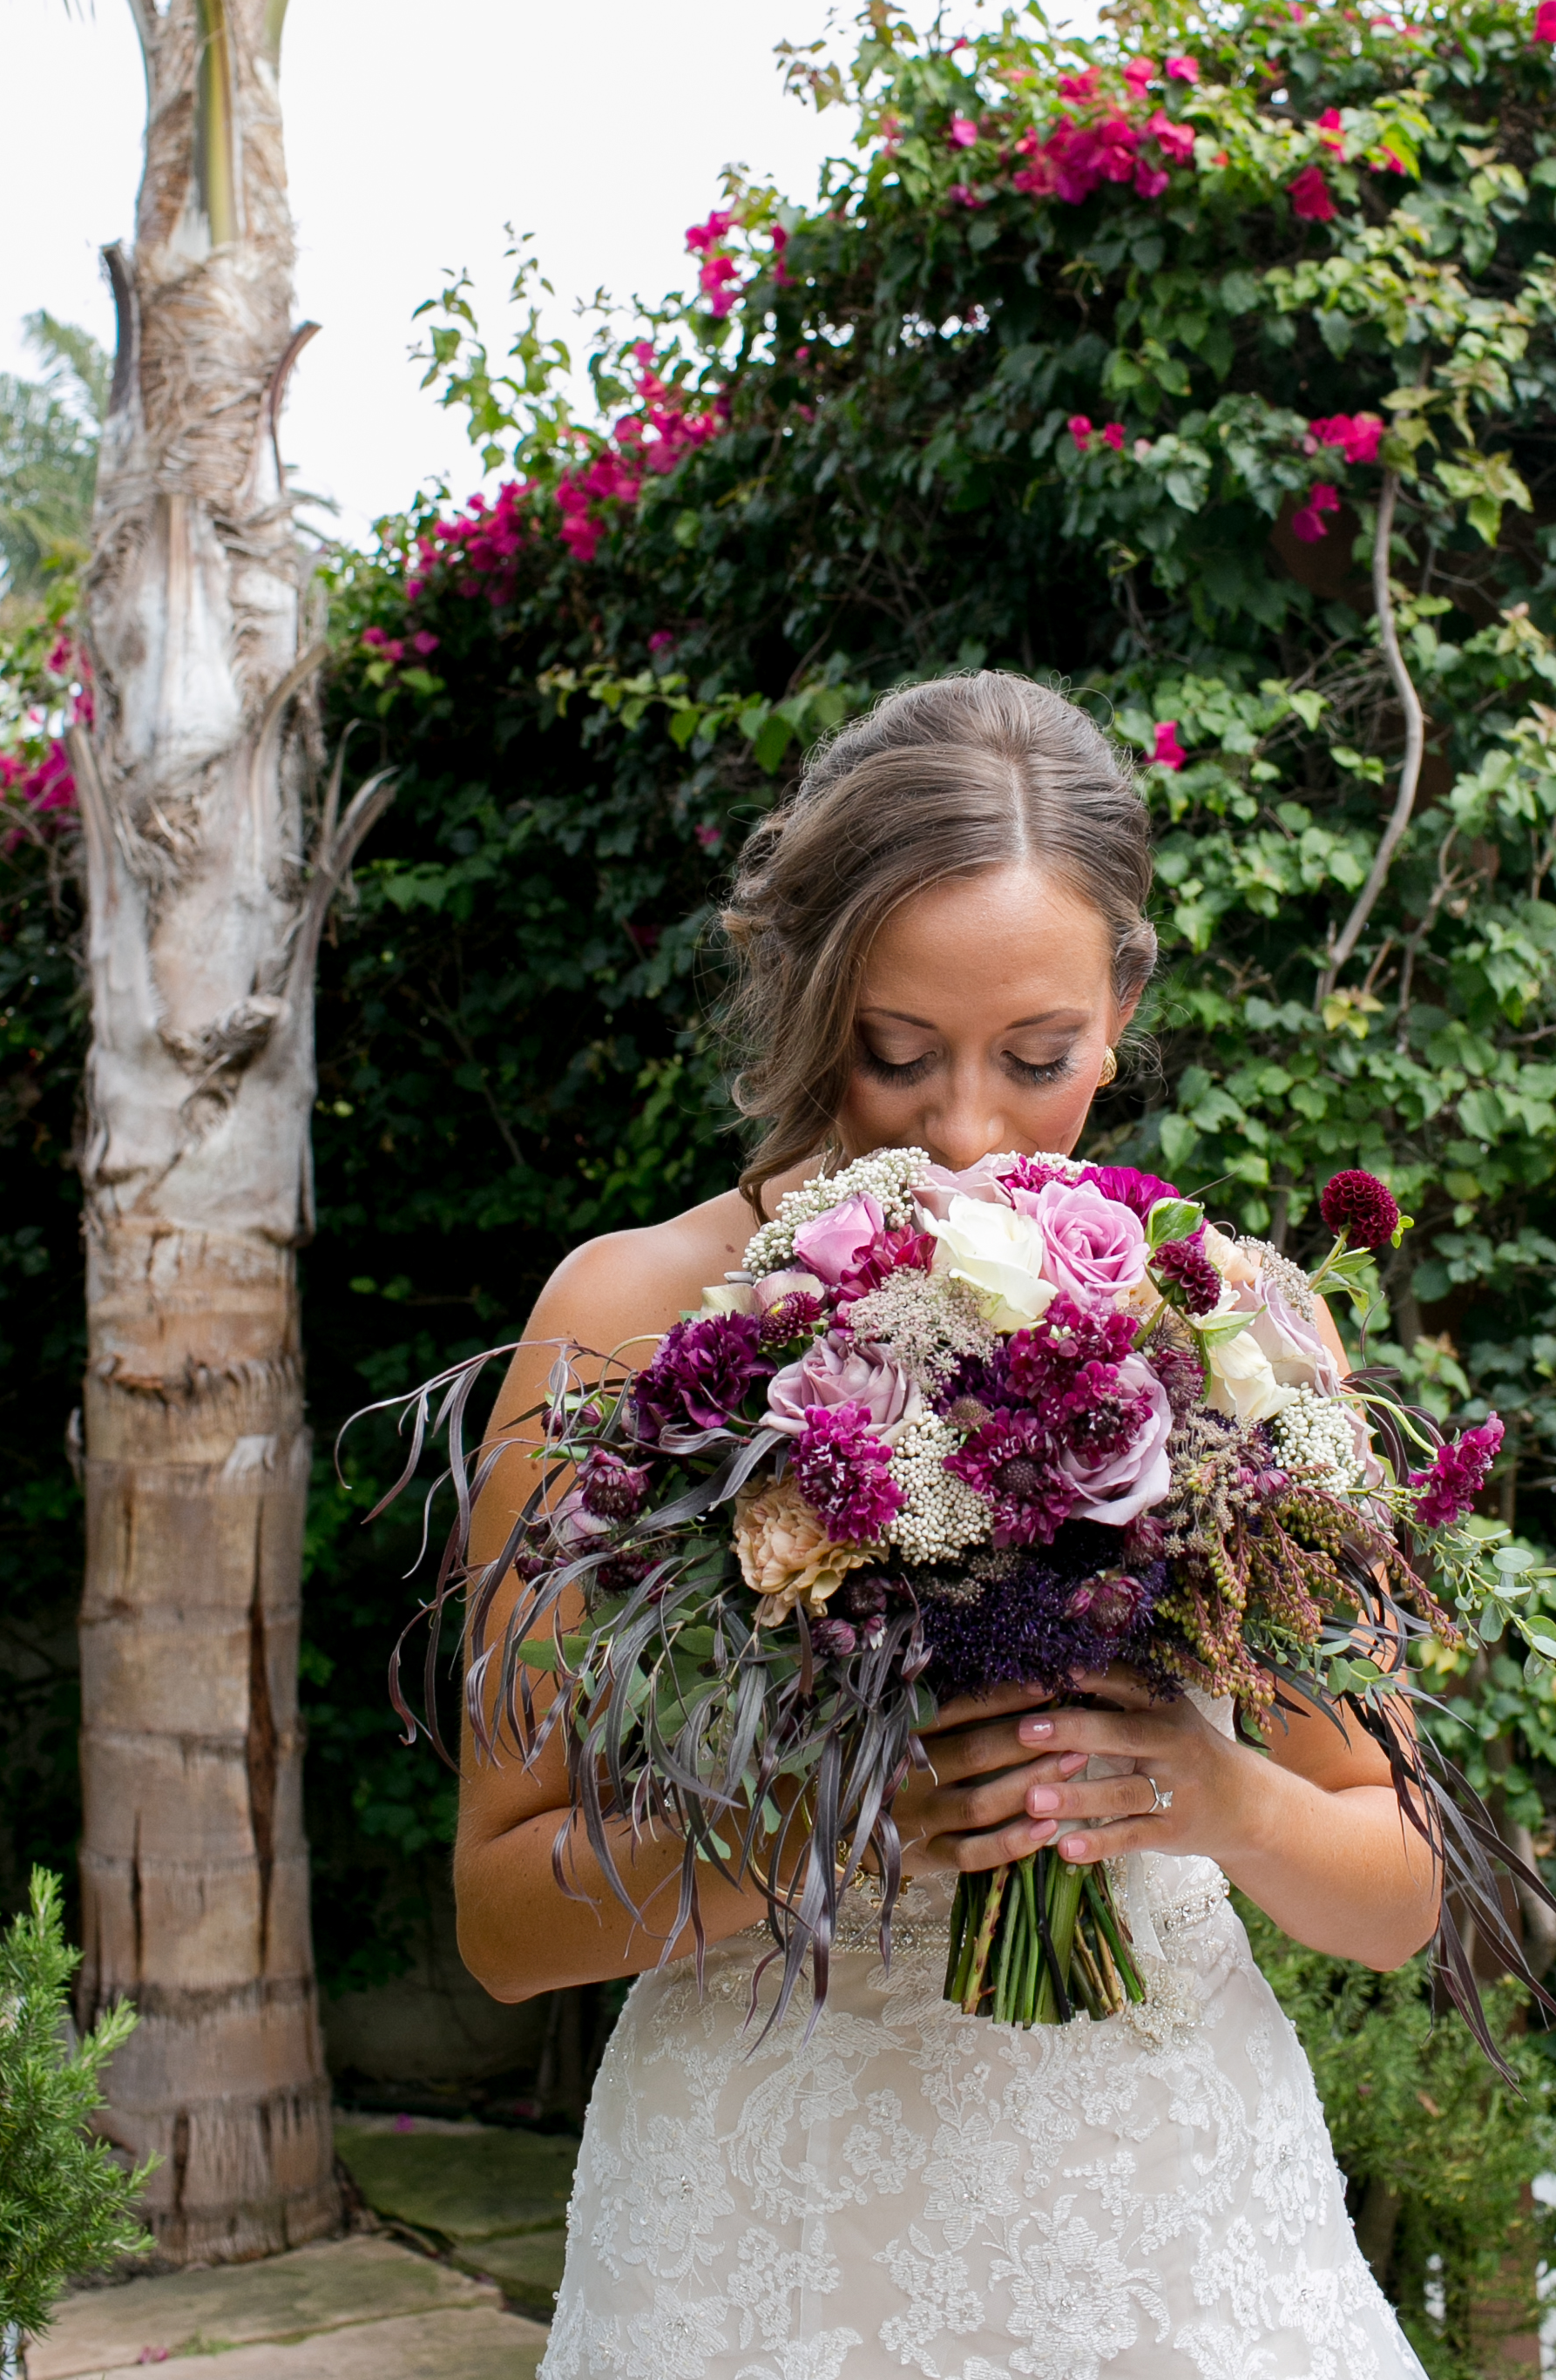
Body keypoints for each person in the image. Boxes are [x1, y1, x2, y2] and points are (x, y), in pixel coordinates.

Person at [454, 670, 1434, 2380]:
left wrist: (1214, 1796)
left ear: (1119, 1009)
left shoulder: (1240, 1326)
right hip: (757, 2242)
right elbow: (503, 1918)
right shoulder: (621, 1316)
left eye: (1036, 1058)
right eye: (893, 1056)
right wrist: (823, 1832)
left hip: (1160, 2236)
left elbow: (1395, 1889)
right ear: (801, 991)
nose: (966, 1130)